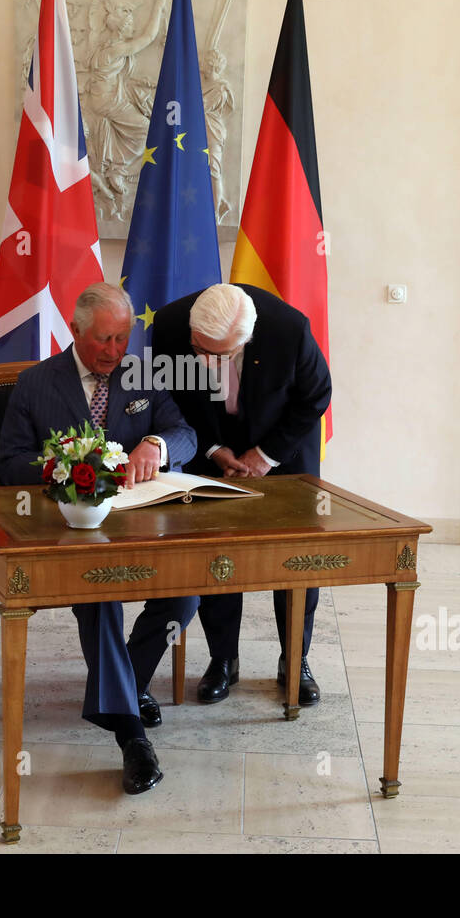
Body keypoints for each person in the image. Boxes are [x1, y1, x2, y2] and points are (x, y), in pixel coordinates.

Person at [0, 283, 197, 795]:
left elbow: (185, 435)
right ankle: (132, 737)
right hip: (74, 528)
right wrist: (69, 467)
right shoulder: (37, 383)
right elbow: (8, 461)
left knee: (187, 591)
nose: (114, 351)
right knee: (101, 596)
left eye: (122, 338)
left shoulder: (144, 375)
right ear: (76, 330)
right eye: (104, 340)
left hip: (143, 522)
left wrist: (154, 442)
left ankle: (123, 685)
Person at [151, 283, 332, 706]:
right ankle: (223, 660)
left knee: (295, 559)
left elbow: (315, 396)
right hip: (210, 445)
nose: (210, 360)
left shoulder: (289, 329)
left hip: (281, 450)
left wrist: (265, 455)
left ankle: (295, 659)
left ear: (248, 339)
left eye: (222, 353)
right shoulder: (171, 325)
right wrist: (215, 450)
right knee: (218, 554)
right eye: (202, 350)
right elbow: (174, 397)